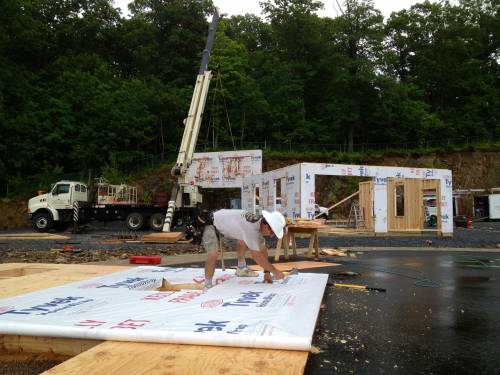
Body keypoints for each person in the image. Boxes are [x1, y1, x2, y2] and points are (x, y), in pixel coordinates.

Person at [202, 209, 286, 289]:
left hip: (225, 226)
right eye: (272, 233)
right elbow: (257, 257)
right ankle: (207, 284)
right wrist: (275, 271)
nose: (271, 235)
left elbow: (262, 249)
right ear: (266, 226)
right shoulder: (251, 229)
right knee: (213, 253)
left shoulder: (259, 223)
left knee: (243, 240)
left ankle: (241, 268)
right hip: (211, 224)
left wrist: (267, 272)